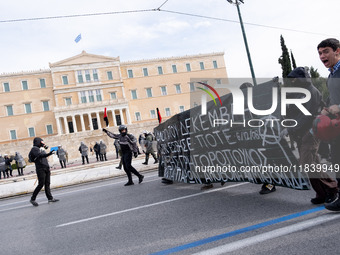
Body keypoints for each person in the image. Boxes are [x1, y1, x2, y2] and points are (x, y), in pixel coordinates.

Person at [286, 67, 338, 204]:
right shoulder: (300, 92)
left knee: (307, 164)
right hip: (301, 133)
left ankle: (332, 188)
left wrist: (292, 127)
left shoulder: (310, 92)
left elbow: (306, 115)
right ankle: (322, 193)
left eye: (295, 78)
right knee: (312, 163)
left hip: (310, 132)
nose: (292, 81)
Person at [317, 38, 340, 211]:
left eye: (325, 51)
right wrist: (325, 109)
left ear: (337, 51)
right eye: (319, 53)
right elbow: (331, 99)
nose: (322, 56)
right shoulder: (331, 75)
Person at [28, 137, 59, 206]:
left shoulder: (40, 149)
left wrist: (44, 146)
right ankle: (32, 199)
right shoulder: (34, 149)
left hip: (46, 167)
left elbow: (44, 157)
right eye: (41, 142)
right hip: (40, 168)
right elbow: (40, 156)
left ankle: (50, 198)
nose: (42, 143)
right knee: (41, 184)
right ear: (38, 142)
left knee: (47, 183)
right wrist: (49, 154)